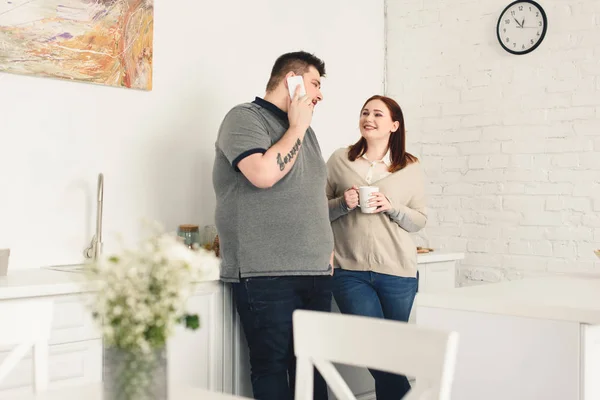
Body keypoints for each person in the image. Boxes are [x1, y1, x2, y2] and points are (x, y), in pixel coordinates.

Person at [212, 51, 334, 400]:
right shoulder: (244, 118)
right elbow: (263, 174)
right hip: (265, 272)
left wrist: (327, 247)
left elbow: (309, 195)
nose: (319, 95)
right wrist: (297, 126)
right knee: (272, 367)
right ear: (290, 80)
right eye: (314, 84)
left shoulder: (305, 133)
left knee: (314, 369)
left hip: (315, 271)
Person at [325, 95, 427, 400]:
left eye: (378, 114)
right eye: (365, 112)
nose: (369, 118)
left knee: (390, 355)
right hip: (349, 271)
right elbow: (315, 211)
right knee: (377, 352)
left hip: (398, 272)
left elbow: (419, 220)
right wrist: (343, 203)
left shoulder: (410, 166)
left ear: (394, 125)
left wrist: (392, 207)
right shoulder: (340, 160)